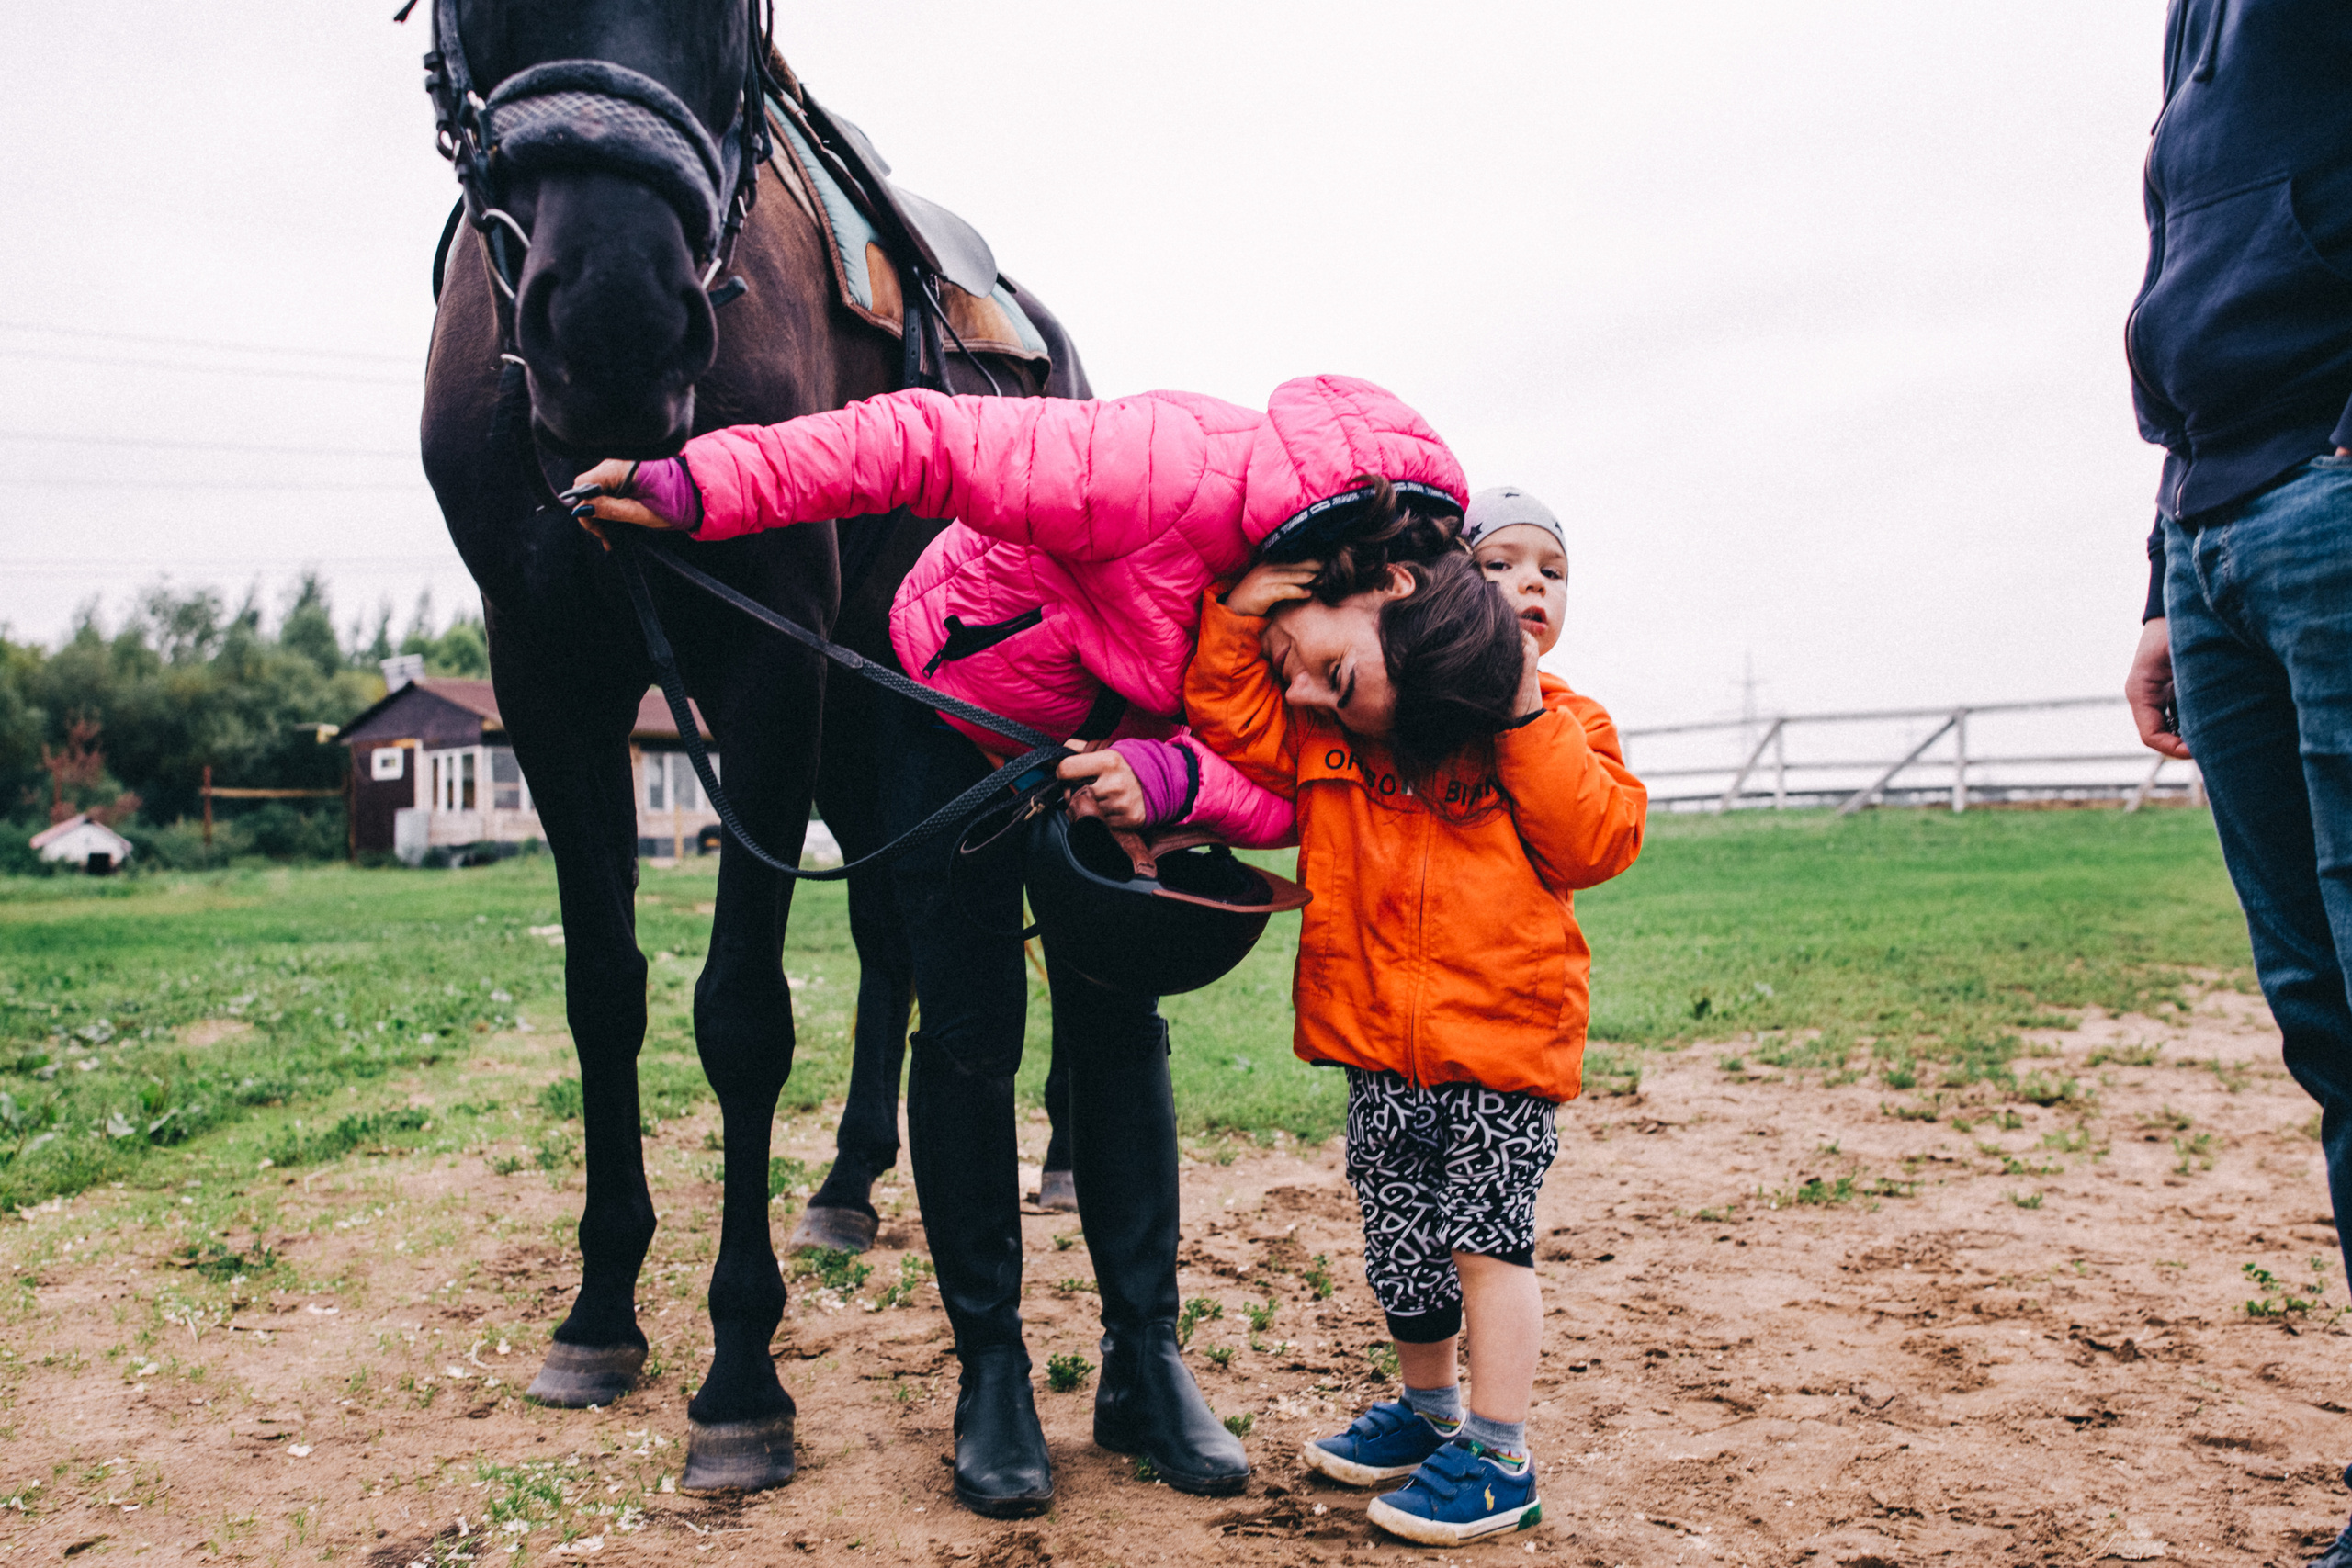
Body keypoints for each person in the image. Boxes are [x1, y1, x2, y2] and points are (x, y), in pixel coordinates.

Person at [571, 375, 1524, 1517]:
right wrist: (697, 489)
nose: (1309, 695)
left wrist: (1170, 774)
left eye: (1332, 698)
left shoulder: (1349, 633)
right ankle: (992, 1377)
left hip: (1127, 753)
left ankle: (1144, 1366)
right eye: (1332, 675)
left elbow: (1295, 793)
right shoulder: (1156, 465)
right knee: (970, 1031)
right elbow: (918, 439)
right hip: (958, 707)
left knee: (1123, 1030)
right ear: (1391, 583)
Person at [1183, 481, 1645, 1545]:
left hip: (1499, 1045)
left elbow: (1596, 842)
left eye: (1550, 569)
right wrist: (1238, 612)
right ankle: (1431, 1409)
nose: (1526, 583)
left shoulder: (1562, 722)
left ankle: (1496, 1451)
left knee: (1486, 1244)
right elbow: (1236, 715)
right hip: (1374, 1044)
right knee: (1401, 1244)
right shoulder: (1347, 723)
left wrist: (1521, 708)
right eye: (1495, 565)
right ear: (1434, 594)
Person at [2117, 6, 2352, 1562]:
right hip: (2219, 519)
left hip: (2331, 496)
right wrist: (2161, 567)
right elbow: (2189, 300)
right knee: (2329, 1024)